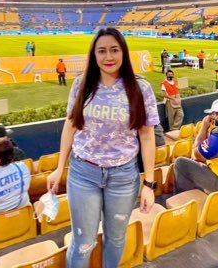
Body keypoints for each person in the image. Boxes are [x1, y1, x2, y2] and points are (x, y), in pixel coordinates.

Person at [47, 27, 159, 268]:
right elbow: (70, 125)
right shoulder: (82, 84)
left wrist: (149, 184)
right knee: (83, 241)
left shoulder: (140, 88)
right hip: (83, 174)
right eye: (102, 51)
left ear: (123, 52)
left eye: (114, 50)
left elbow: (147, 136)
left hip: (123, 176)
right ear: (94, 54)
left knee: (116, 239)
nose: (108, 57)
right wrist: (59, 168)